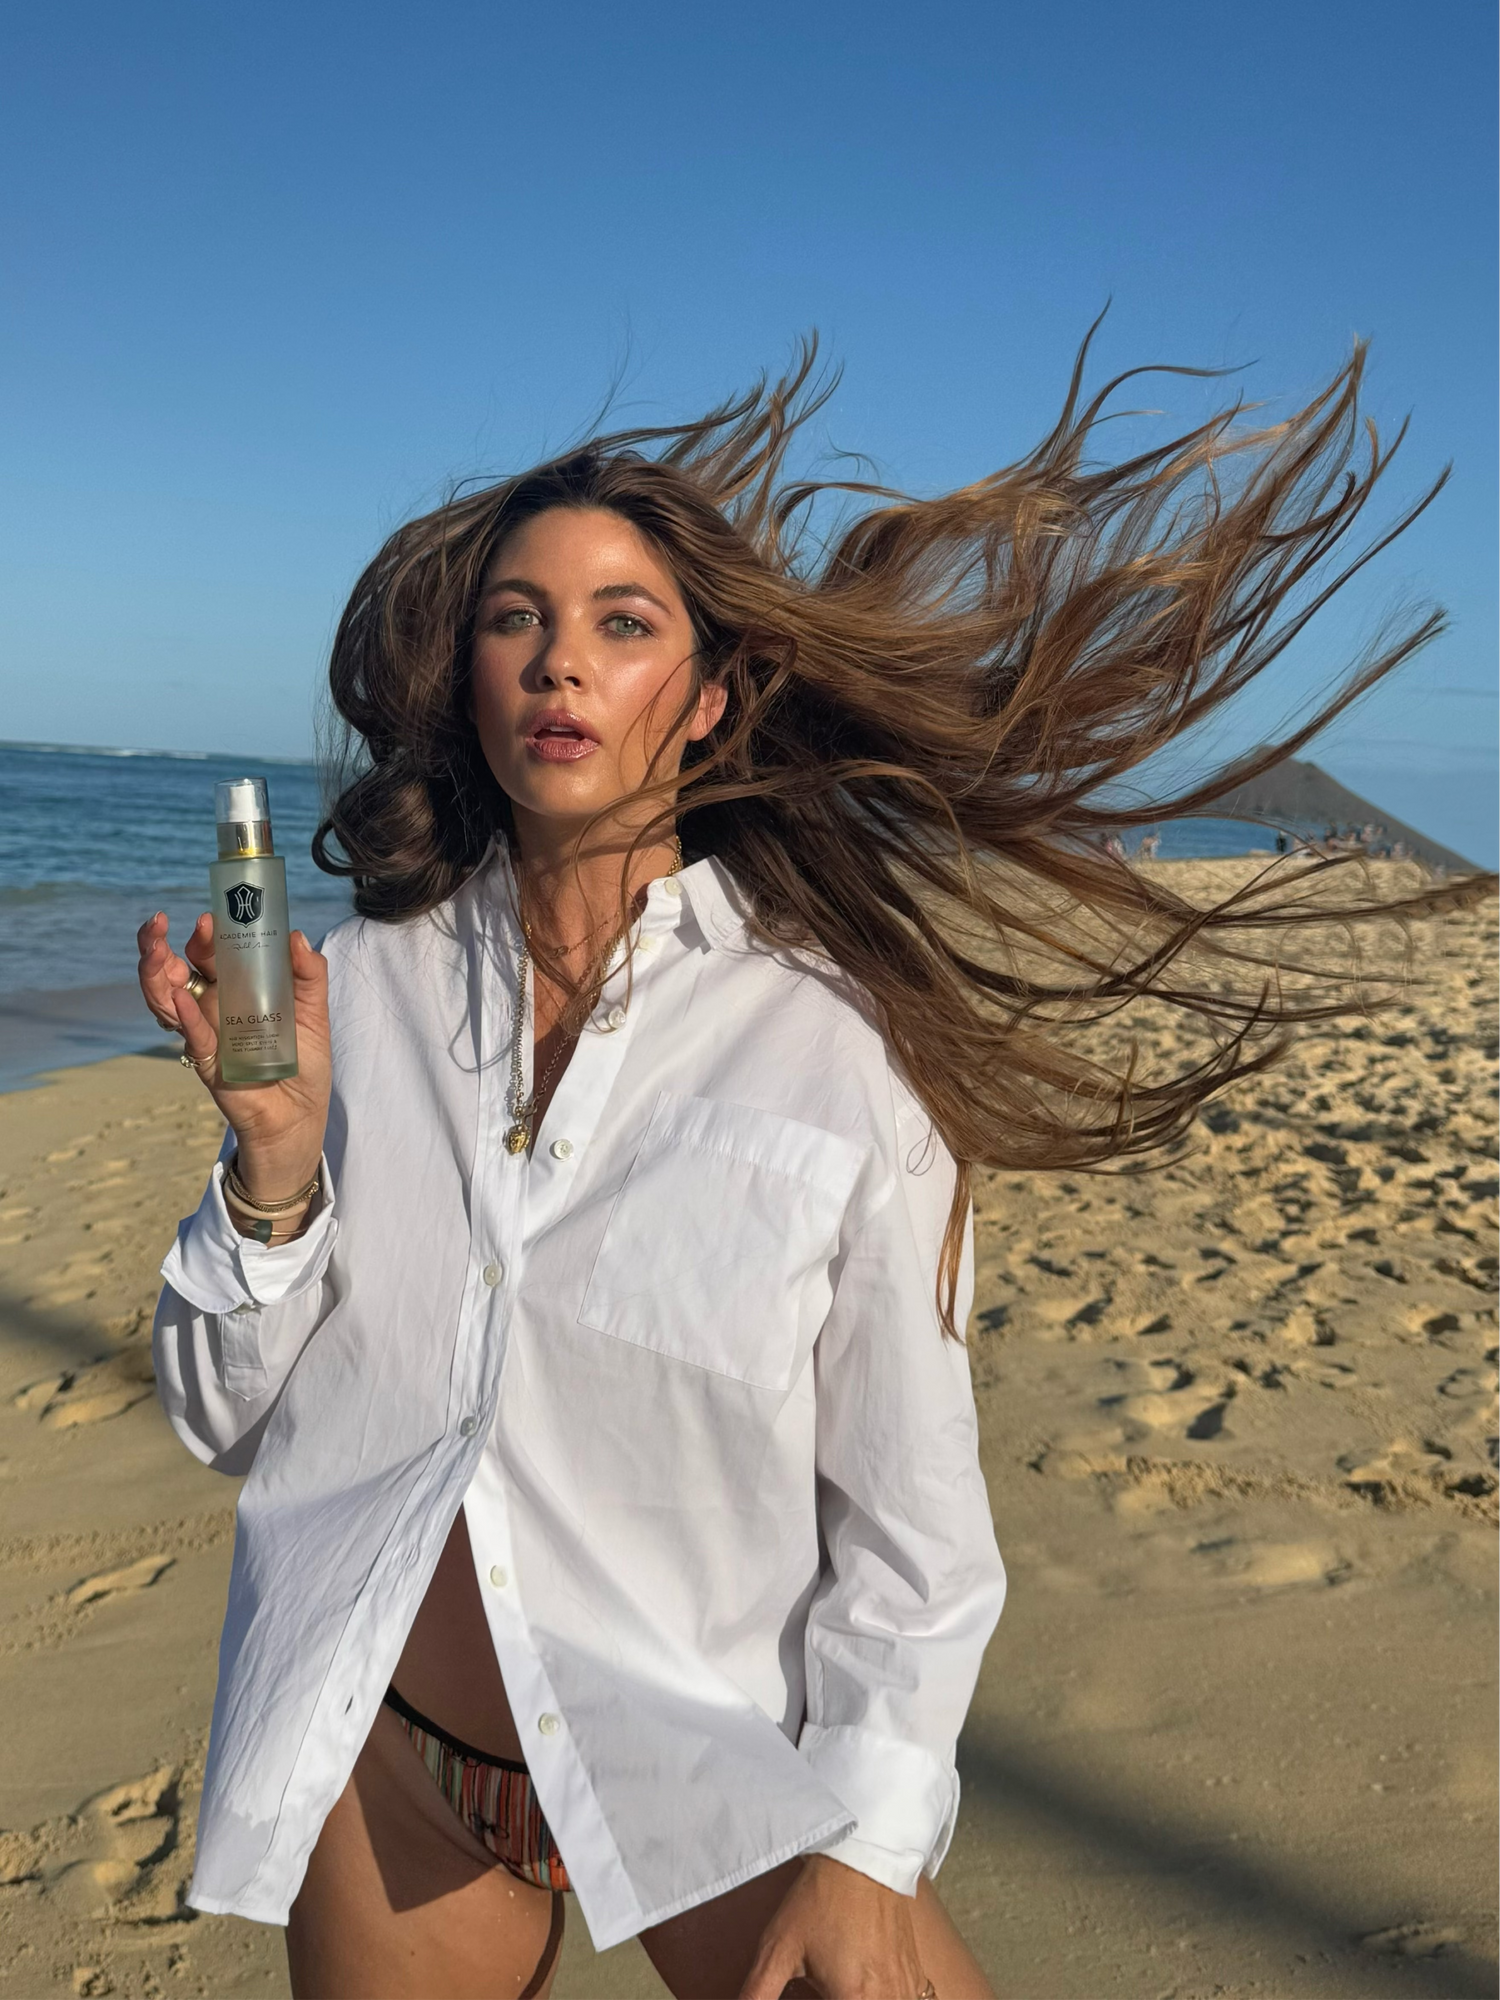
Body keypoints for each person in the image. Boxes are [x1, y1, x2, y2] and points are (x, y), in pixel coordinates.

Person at [140, 339, 1474, 1999]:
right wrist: (271, 1163)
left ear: (701, 702)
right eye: (517, 619)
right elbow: (225, 1418)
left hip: (714, 1764)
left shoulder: (833, 1047)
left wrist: (866, 1846)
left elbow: (915, 1524)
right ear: (473, 683)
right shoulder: (362, 996)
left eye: (622, 624)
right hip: (397, 1765)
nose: (561, 661)